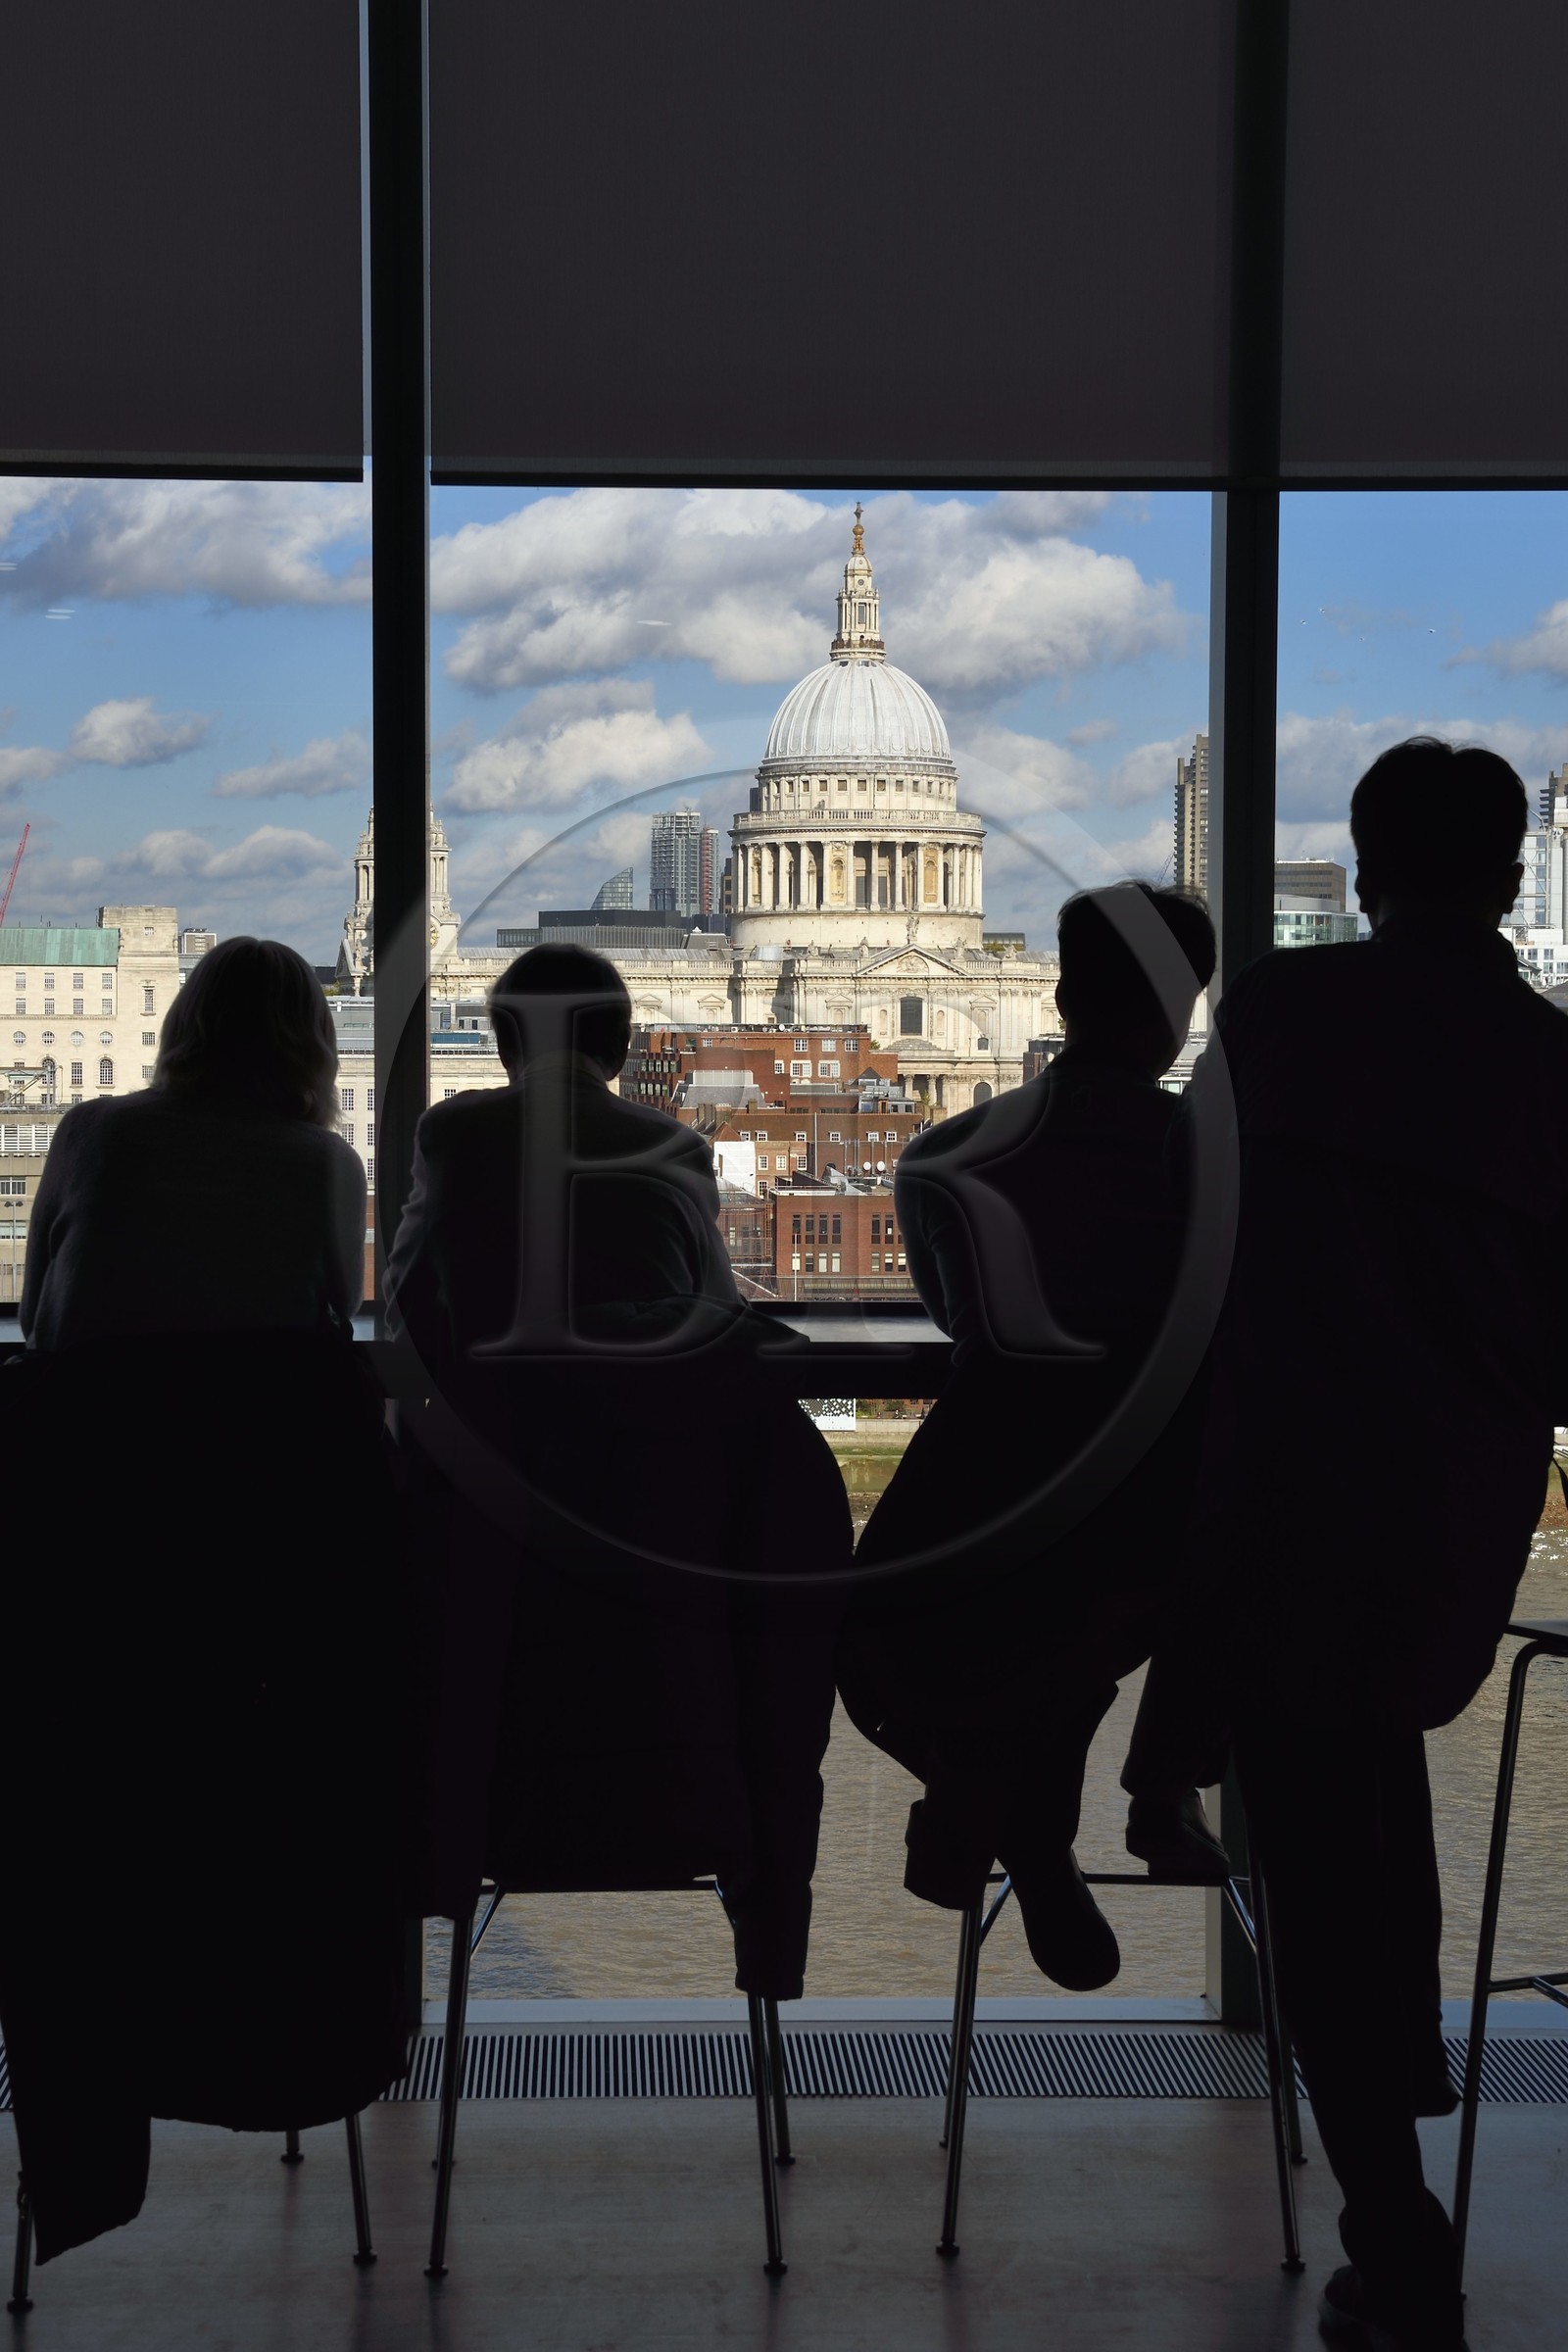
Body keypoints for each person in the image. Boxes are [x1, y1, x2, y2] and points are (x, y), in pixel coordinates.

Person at [1183, 739, 1568, 2352]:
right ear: (1517, 868)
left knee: (1325, 1836)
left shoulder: (1276, 1016)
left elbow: (1196, 1250)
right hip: (1455, 1518)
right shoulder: (1551, 1059)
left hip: (1280, 1493)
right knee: (1363, 1810)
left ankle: (1391, 2194)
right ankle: (1392, 2155)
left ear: (1360, 866)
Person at [1, 939, 407, 2266]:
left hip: (87, 1561)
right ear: (311, 1047)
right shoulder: (323, 1165)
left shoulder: (93, 1133)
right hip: (260, 1591)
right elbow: (310, 1332)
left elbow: (46, 1321)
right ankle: (288, 2056)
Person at [386, 943, 849, 1999]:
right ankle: (770, 1930)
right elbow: (712, 1318)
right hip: (659, 1547)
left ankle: (414, 1899)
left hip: (497, 1557)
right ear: (619, 1044)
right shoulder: (672, 1145)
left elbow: (416, 1308)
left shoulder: (454, 1134)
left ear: (501, 1046)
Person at [836, 883, 1224, 1992]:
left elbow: (966, 1323)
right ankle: (1147, 1790)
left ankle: (1003, 1823)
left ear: (1056, 994)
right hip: (1159, 1492)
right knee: (1125, 1608)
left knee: (934, 1629)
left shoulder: (939, 1160)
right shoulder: (1212, 1166)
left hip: (990, 1474)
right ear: (1182, 1010)